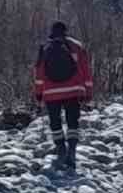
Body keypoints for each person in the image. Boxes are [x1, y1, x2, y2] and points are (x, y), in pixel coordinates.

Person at [33, 21, 93, 171]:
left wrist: (39, 94)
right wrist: (88, 92)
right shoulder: (76, 46)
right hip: (73, 91)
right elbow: (86, 70)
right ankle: (71, 150)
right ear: (66, 31)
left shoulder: (45, 48)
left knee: (55, 122)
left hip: (51, 93)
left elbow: (39, 73)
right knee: (73, 121)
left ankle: (61, 149)